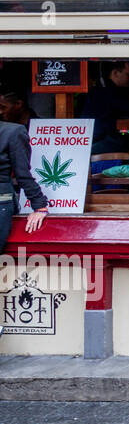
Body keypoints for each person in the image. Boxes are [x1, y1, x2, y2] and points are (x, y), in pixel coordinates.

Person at [0, 120, 49, 321]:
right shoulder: (13, 131)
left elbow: (22, 174)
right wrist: (40, 205)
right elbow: (22, 173)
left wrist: (39, 205)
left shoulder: (12, 131)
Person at [81, 61, 129, 153]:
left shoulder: (105, 89)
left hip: (92, 139)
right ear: (115, 73)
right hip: (97, 141)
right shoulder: (107, 91)